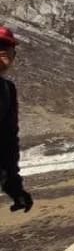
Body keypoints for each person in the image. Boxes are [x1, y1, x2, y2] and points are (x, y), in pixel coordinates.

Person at [0, 26, 33, 214]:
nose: (2, 49)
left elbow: (7, 141)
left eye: (7, 45)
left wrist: (14, 187)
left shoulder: (7, 90)